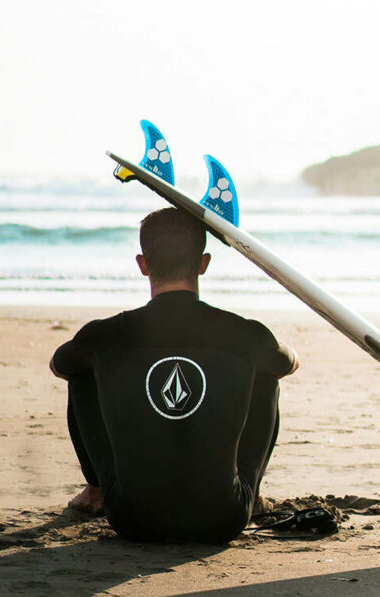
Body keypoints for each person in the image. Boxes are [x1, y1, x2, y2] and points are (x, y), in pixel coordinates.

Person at [50, 207, 299, 544]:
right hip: (224, 519)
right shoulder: (243, 333)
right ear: (204, 263)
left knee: (83, 369)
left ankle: (96, 490)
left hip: (131, 519)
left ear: (142, 264)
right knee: (264, 373)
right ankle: (251, 496)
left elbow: (58, 365)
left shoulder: (106, 334)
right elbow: (287, 363)